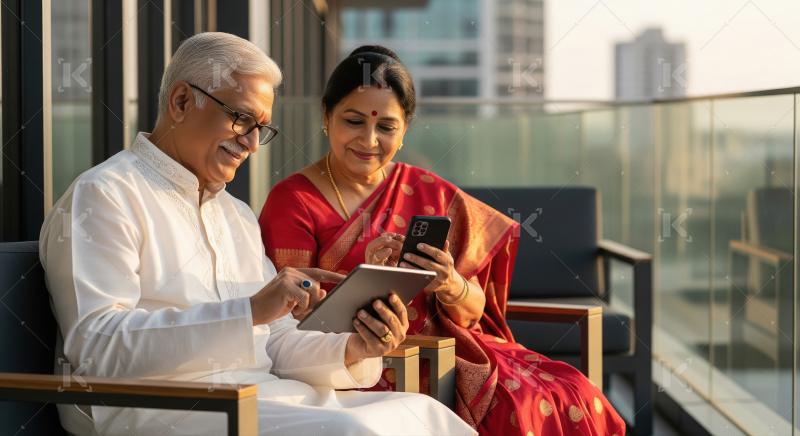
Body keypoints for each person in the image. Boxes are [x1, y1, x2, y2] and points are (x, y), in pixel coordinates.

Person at [39, 32, 474, 436]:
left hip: (258, 396)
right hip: (163, 406)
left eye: (260, 129)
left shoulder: (236, 215)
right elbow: (96, 348)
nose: (250, 144)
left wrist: (354, 348)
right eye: (241, 119)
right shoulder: (105, 195)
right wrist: (249, 311)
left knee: (428, 416)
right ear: (181, 101)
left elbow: (276, 343)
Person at [259, 45, 626, 435]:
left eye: (386, 127)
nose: (368, 140)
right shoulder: (293, 201)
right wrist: (363, 278)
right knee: (515, 408)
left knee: (573, 391)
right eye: (353, 121)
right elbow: (288, 318)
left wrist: (450, 283)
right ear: (326, 117)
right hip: (355, 365)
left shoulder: (428, 190)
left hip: (452, 354)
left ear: (404, 131)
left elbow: (477, 311)